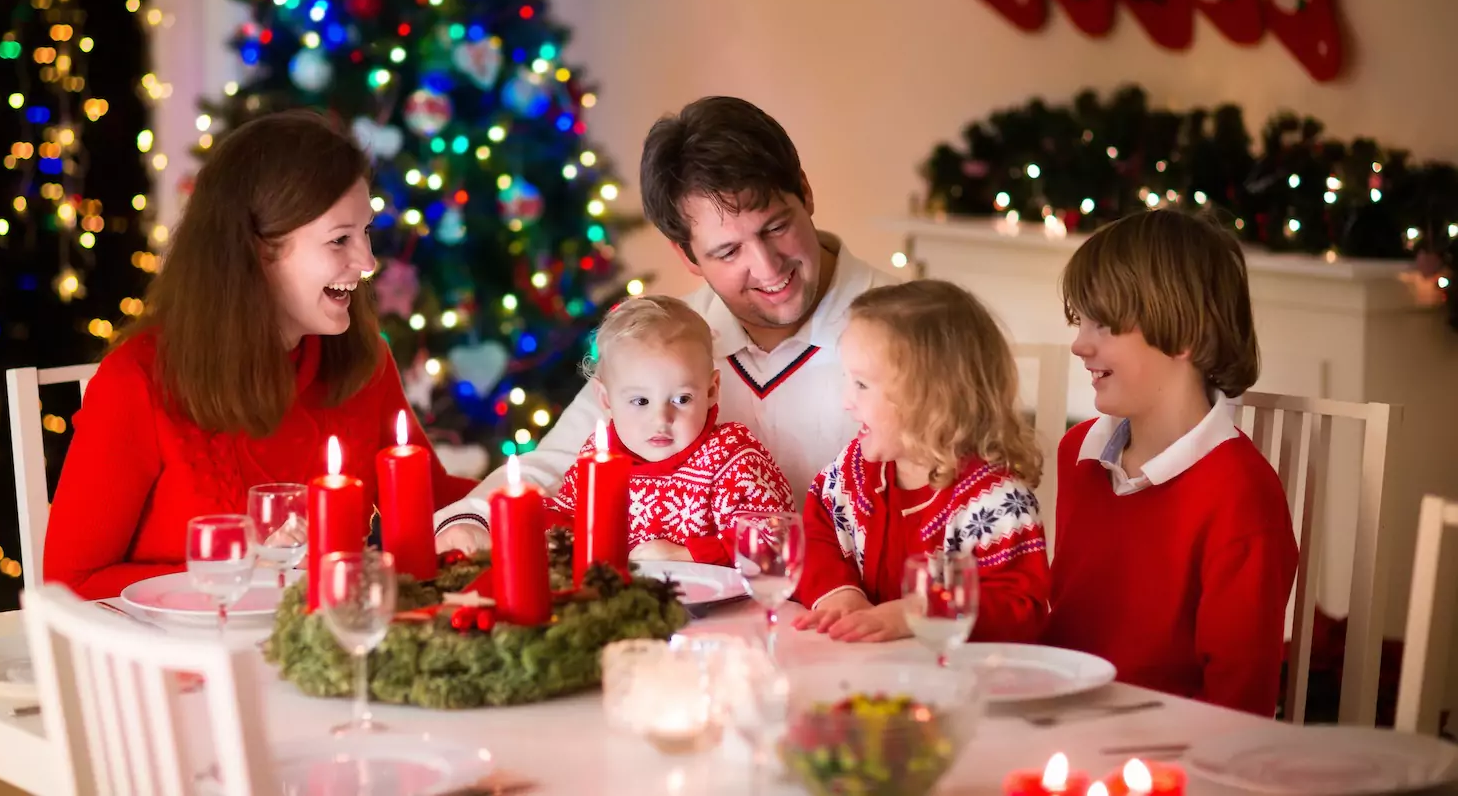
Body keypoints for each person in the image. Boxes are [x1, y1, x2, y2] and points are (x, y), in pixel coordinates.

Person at [44, 111, 476, 600]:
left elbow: (438, 504)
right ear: (257, 252)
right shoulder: (138, 381)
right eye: (340, 240)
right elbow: (69, 585)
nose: (368, 263)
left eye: (366, 233)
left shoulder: (364, 364)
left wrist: (546, 489)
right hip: (187, 669)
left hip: (334, 662)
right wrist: (239, 574)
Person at [436, 96, 895, 551]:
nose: (768, 266)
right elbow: (553, 464)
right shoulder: (666, 339)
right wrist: (472, 522)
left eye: (775, 227)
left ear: (805, 191)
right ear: (687, 256)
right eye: (728, 251)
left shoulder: (918, 329)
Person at [1042, 208, 1297, 717]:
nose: (1079, 344)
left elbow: (1237, 708)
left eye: (1105, 324)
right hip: (1055, 724)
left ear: (1184, 335)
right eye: (1080, 320)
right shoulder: (1079, 454)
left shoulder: (1240, 494)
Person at [793, 280, 1050, 643]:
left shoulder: (995, 500)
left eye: (862, 385)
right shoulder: (855, 470)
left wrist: (917, 612)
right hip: (867, 675)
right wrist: (839, 592)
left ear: (931, 398)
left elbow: (1021, 609)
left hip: (958, 684)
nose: (846, 401)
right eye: (847, 380)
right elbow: (817, 531)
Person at [543, 294, 794, 563]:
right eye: (640, 401)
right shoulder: (598, 458)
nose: (661, 419)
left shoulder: (731, 456)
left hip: (724, 601)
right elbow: (566, 517)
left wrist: (686, 555)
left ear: (711, 390)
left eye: (681, 399)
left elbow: (773, 539)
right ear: (605, 399)